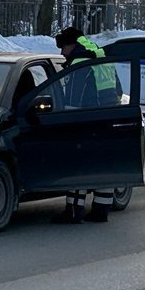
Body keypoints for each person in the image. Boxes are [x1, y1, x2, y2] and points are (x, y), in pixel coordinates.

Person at [51, 26, 119, 223]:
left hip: (86, 121)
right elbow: (117, 90)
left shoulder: (80, 63)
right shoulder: (101, 57)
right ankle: (101, 210)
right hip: (107, 118)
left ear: (72, 44)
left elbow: (72, 99)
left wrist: (66, 122)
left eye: (63, 47)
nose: (62, 53)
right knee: (102, 166)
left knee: (78, 165)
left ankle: (73, 211)